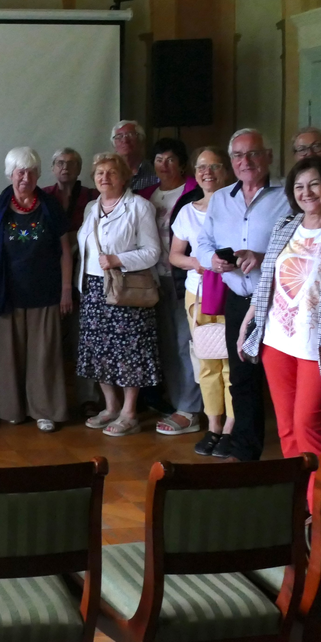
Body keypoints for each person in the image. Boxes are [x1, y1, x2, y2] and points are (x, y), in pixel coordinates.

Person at [238, 156, 321, 479]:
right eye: (299, 186)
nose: (306, 192)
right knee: (286, 428)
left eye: (314, 184)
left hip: (320, 346)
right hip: (276, 342)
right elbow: (267, 280)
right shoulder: (286, 226)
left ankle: (319, 509)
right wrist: (247, 324)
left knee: (307, 425)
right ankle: (297, 498)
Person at [194, 128, 292, 461]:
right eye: (237, 155)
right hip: (238, 300)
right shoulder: (221, 198)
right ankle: (246, 452)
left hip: (280, 302)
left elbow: (301, 246)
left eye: (252, 153)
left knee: (283, 378)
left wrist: (264, 258)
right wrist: (214, 261)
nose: (245, 161)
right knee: (242, 379)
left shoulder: (289, 196)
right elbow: (203, 242)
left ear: (268, 156)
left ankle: (296, 452)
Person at [0, 146, 72, 431]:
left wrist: (66, 290)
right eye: (20, 171)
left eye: (31, 171)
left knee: (43, 355)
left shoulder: (50, 205)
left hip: (45, 292)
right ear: (10, 174)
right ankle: (13, 408)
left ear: (38, 174)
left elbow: (65, 250)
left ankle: (44, 411)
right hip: (8, 293)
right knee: (10, 356)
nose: (25, 177)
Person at [75, 152, 162, 437]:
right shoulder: (91, 207)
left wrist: (118, 259)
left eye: (111, 172)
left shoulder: (139, 206)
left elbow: (152, 252)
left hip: (125, 290)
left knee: (128, 352)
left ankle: (129, 412)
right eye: (99, 173)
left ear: (125, 176)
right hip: (93, 290)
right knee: (99, 351)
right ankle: (111, 406)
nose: (104, 177)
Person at [168, 147, 236, 457]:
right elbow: (174, 256)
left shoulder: (239, 205)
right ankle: (213, 427)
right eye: (201, 167)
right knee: (208, 363)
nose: (207, 172)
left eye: (214, 166)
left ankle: (233, 429)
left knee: (232, 365)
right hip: (200, 294)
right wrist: (199, 262)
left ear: (227, 170)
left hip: (235, 292)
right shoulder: (187, 211)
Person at [138, 138, 204, 437]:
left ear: (182, 164)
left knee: (184, 344)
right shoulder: (147, 195)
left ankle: (191, 408)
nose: (164, 165)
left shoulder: (195, 192)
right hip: (154, 280)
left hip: (186, 280)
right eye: (159, 159)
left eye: (170, 159)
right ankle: (178, 402)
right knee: (166, 345)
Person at [44, 148, 100, 417]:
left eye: (71, 164)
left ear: (79, 170)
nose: (65, 168)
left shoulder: (92, 196)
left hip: (86, 281)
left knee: (83, 341)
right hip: (48, 281)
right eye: (60, 163)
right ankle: (53, 400)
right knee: (51, 344)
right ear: (53, 168)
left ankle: (88, 397)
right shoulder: (42, 196)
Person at [111, 120, 159, 192]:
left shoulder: (156, 172)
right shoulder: (108, 174)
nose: (125, 140)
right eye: (119, 136)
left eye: (130, 134)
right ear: (114, 145)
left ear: (141, 141)